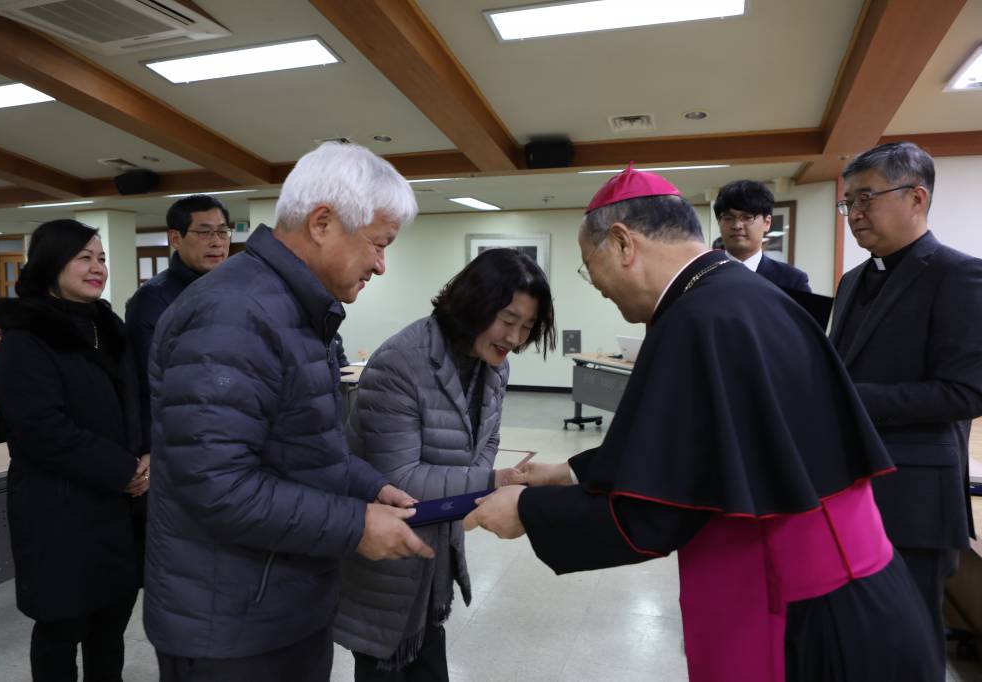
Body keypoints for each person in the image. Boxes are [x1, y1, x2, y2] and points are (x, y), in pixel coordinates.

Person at [464, 165, 941, 681]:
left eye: (589, 264)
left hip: (807, 611)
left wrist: (529, 512)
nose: (596, 285)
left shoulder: (696, 318)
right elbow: (704, 447)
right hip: (853, 588)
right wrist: (570, 473)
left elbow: (654, 516)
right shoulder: (735, 297)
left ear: (623, 243)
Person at [144, 142, 434, 682]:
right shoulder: (232, 313)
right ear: (323, 222)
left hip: (283, 600)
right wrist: (354, 524)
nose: (381, 264)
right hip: (230, 626)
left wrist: (368, 487)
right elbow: (218, 484)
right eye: (377, 244)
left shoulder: (294, 307)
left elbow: (304, 446)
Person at [334, 248, 557, 681]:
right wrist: (491, 483)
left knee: (426, 653)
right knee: (383, 659)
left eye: (527, 327)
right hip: (387, 555)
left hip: (436, 548)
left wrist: (475, 492)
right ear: (474, 303)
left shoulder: (493, 365)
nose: (514, 337)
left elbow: (488, 438)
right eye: (508, 320)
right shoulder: (401, 362)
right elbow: (398, 478)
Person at [830, 141, 982, 668]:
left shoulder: (960, 275)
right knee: (854, 643)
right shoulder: (852, 280)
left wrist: (845, 399)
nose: (855, 213)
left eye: (866, 197)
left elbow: (966, 392)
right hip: (846, 487)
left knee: (908, 649)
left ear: (917, 197)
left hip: (915, 495)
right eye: (848, 201)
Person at [0, 219, 150, 682]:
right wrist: (123, 468)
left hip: (117, 507)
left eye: (101, 258)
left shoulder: (107, 328)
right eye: (84, 257)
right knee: (62, 629)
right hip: (57, 510)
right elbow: (40, 429)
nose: (97, 267)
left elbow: (134, 402)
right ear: (50, 264)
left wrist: (145, 456)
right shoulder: (26, 338)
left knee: (110, 626)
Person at [125, 193, 231, 453]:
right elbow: (151, 383)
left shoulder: (237, 290)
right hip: (181, 441)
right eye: (205, 233)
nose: (217, 242)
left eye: (222, 232)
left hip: (233, 431)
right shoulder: (152, 300)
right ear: (175, 239)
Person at [713, 180, 810, 292]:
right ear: (719, 222)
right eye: (728, 218)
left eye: (747, 217)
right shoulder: (701, 276)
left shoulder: (792, 280)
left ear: (767, 222)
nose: (737, 225)